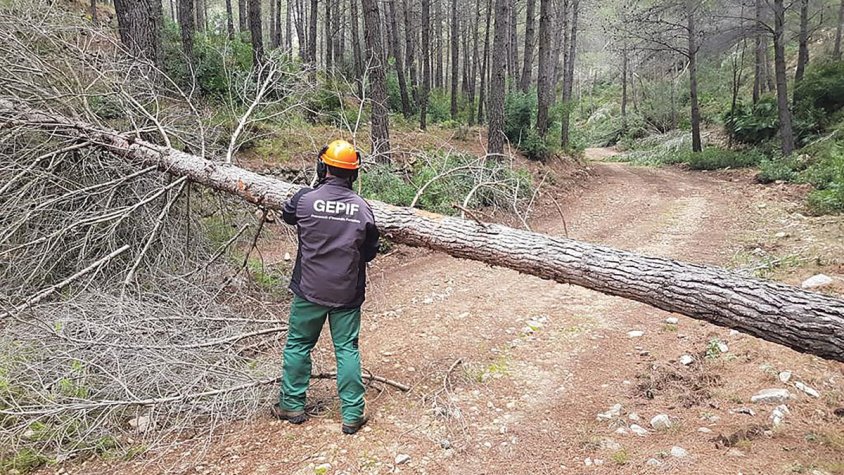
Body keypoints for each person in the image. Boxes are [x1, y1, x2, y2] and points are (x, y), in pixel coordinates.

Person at [271, 140, 380, 435]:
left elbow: (287, 214)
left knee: (298, 345)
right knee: (346, 349)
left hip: (309, 289)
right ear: (353, 173)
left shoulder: (305, 199)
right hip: (346, 292)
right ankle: (352, 414)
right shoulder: (363, 208)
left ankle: (292, 404)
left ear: (323, 167)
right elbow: (370, 251)